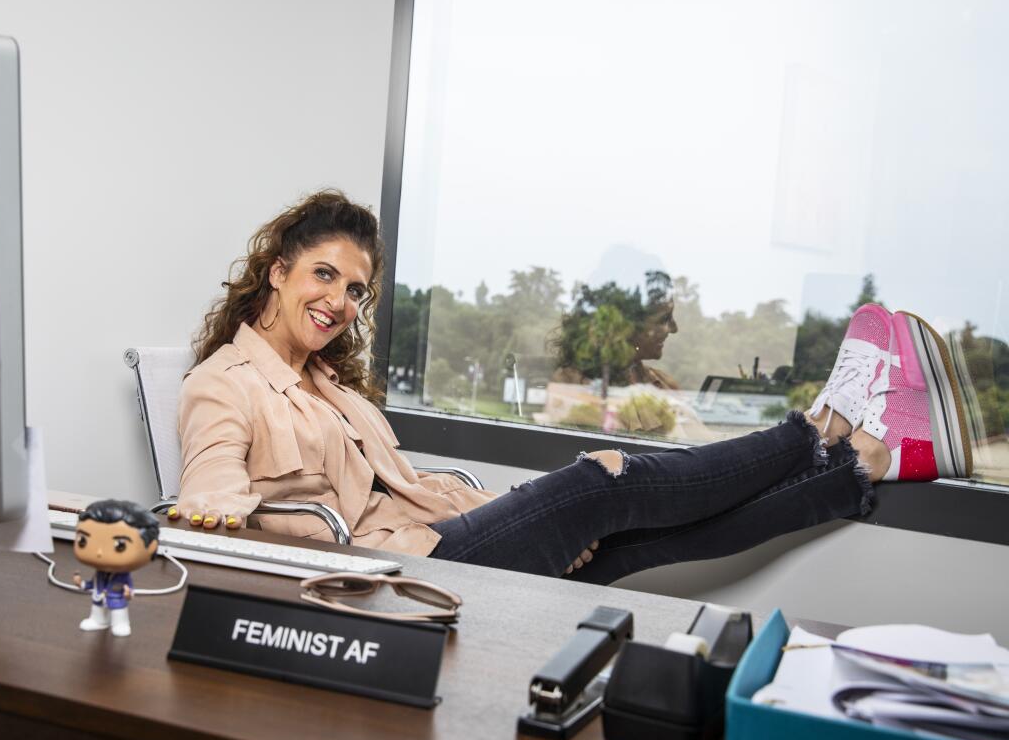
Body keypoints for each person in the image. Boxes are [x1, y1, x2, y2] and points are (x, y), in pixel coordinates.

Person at [176, 190, 973, 584]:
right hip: (391, 580)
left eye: (355, 290)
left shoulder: (329, 387)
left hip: (438, 542)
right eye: (324, 276)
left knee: (639, 539)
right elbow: (211, 478)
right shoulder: (224, 384)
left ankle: (862, 465)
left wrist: (519, 522)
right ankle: (824, 427)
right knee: (606, 478)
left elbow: (406, 493)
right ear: (277, 273)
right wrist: (212, 504)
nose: (340, 303)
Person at [72, 499, 160, 636]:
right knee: (98, 613)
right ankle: (99, 621)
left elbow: (128, 587)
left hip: (117, 601)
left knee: (119, 616)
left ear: (151, 547)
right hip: (99, 599)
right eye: (83, 541)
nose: (99, 553)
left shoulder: (122, 576)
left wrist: (128, 593)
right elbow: (92, 583)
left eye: (120, 546)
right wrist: (81, 583)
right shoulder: (99, 574)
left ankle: (121, 624)